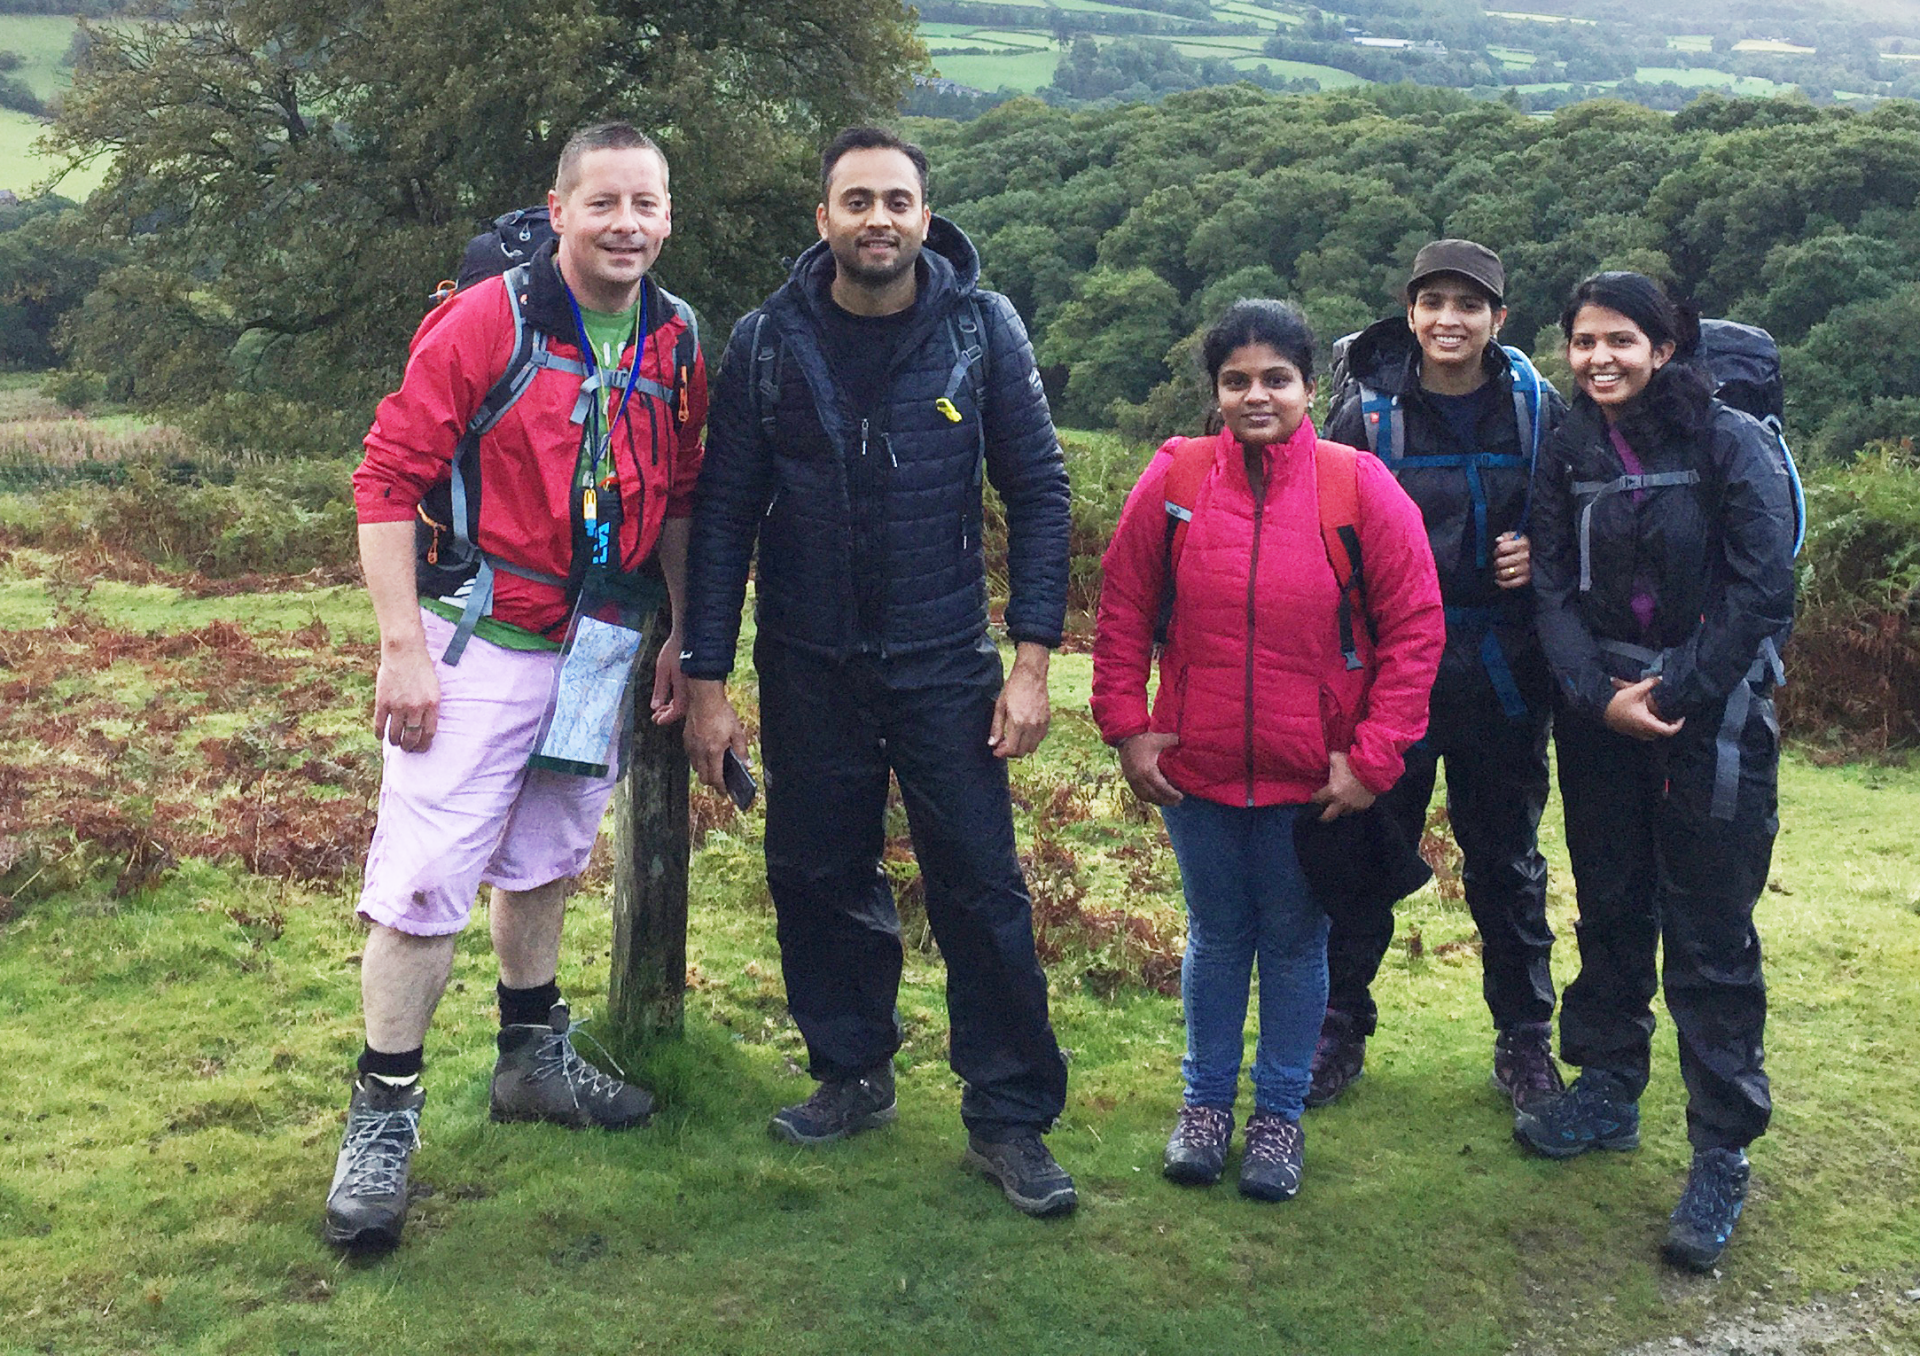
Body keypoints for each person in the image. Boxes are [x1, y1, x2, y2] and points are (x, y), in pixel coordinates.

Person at [680, 126, 1077, 1217]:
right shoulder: (767, 341)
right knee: (815, 872)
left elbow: (1040, 494)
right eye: (856, 202)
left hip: (947, 659)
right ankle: (851, 1069)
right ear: (825, 220)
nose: (878, 220)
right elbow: (723, 518)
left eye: (896, 201)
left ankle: (1008, 1118)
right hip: (807, 660)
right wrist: (707, 683)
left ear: (925, 214)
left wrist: (1031, 662)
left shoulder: (981, 330)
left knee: (981, 887)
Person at [328, 122, 706, 1250]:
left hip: (600, 642)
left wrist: (684, 630)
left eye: (645, 205)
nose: (626, 224)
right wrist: (401, 645)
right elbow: (385, 478)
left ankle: (530, 1060)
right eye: (604, 204)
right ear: (558, 212)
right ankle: (384, 1113)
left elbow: (683, 492)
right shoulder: (485, 320)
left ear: (667, 217)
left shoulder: (678, 337)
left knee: (546, 855)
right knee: (425, 880)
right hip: (480, 634)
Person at [1090, 300, 1444, 1200]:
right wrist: (1126, 729)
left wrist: (1372, 759)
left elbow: (1414, 627)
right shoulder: (1176, 475)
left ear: (1308, 386)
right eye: (1237, 381)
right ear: (1215, 392)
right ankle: (1205, 1108)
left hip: (1310, 777)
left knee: (1293, 942)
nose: (1257, 396)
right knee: (1216, 936)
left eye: (1276, 379)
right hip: (1198, 770)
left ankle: (1277, 1120)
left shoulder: (1356, 484)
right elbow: (1125, 605)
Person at [1517, 272, 1796, 1273]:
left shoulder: (1730, 443)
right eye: (1585, 341)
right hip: (1598, 720)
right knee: (1611, 905)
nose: (1600, 358)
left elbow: (1765, 585)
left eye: (1621, 341)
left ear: (1665, 347)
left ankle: (1721, 1150)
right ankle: (1605, 1088)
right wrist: (1597, 696)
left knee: (1712, 934)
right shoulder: (1569, 445)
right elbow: (1549, 583)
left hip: (1709, 723)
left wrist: (1673, 691)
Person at [1316, 240, 1568, 1113]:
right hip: (1396, 677)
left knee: (1505, 860)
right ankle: (1338, 1025)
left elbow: (1583, 518)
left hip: (1504, 676)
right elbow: (1322, 528)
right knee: (1365, 847)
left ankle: (1526, 1042)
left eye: (1469, 304)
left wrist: (1543, 555)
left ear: (1501, 319)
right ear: (1411, 312)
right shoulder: (1369, 415)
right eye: (1434, 303)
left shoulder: (1538, 410)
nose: (1448, 320)